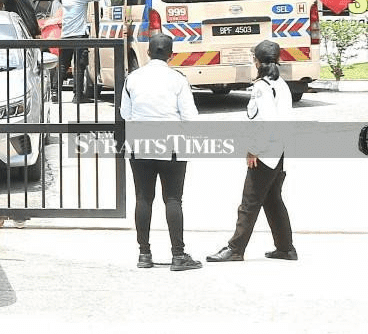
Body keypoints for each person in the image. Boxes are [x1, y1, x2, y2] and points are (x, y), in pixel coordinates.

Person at [207, 39, 296, 263]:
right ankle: (285, 248)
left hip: (265, 152)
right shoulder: (282, 85)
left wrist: (254, 149)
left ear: (256, 61)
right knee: (273, 199)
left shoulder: (262, 87)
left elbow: (266, 122)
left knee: (249, 202)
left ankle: (235, 249)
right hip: (279, 150)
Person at [120, 32, 201, 271]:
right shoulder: (178, 79)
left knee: (143, 198)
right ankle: (178, 255)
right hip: (172, 144)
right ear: (171, 54)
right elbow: (190, 116)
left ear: (147, 52)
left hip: (140, 143)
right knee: (173, 199)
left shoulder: (132, 78)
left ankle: (144, 254)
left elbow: (125, 114)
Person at [53, 0, 106, 103]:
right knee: (79, 66)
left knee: (63, 64)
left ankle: (55, 92)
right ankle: (78, 95)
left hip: (65, 35)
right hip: (79, 35)